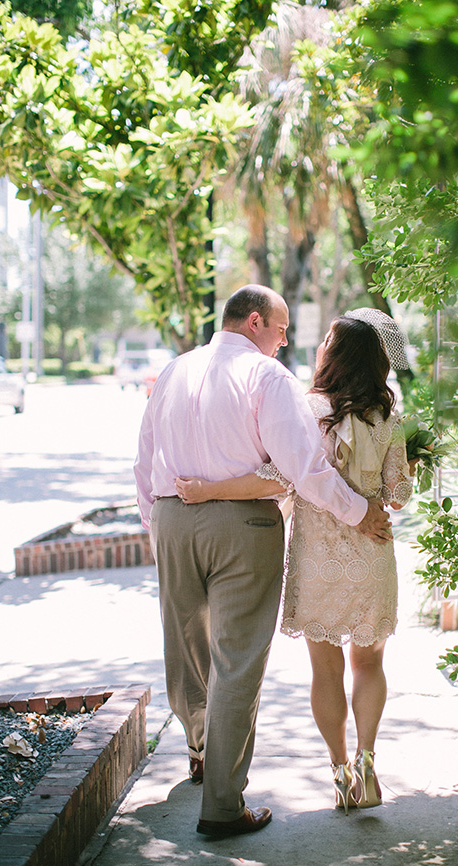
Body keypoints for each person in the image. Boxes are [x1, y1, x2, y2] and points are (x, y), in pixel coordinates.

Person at [134, 285, 392, 838]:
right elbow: (300, 467)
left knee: (184, 651)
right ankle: (224, 806)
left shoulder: (175, 370)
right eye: (279, 331)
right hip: (244, 527)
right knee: (237, 661)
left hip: (173, 517)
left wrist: (154, 522)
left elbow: (144, 454)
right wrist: (357, 511)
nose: (283, 342)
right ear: (255, 322)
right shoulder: (267, 377)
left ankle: (202, 748)